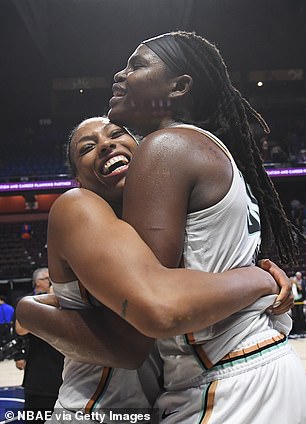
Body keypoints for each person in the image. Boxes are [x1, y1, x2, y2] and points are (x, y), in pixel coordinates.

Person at [17, 117, 293, 423]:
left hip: (158, 409)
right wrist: (258, 279)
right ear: (79, 178)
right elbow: (131, 345)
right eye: (87, 147)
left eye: (116, 134)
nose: (106, 144)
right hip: (92, 411)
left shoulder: (163, 228)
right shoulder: (79, 205)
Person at [106, 31, 306, 422]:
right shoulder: (205, 148)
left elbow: (152, 299)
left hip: (227, 381)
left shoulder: (166, 147)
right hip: (257, 367)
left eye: (137, 65)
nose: (119, 75)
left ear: (179, 88)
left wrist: (37, 314)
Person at [15, 268, 64, 423]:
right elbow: (20, 330)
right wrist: (49, 300)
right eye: (47, 278)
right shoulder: (29, 302)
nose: (51, 281)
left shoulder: (67, 301)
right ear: (37, 282)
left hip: (67, 379)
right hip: (41, 379)